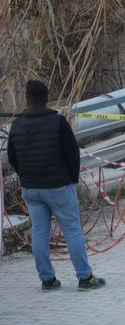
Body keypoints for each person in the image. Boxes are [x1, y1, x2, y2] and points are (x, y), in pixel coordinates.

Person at [7, 80, 106, 291]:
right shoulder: (58, 121)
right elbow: (72, 153)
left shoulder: (17, 125)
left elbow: (12, 158)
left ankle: (47, 280)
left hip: (31, 188)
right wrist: (71, 178)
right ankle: (85, 277)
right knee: (72, 230)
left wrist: (25, 176)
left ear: (27, 99)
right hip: (59, 186)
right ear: (46, 98)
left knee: (40, 231)